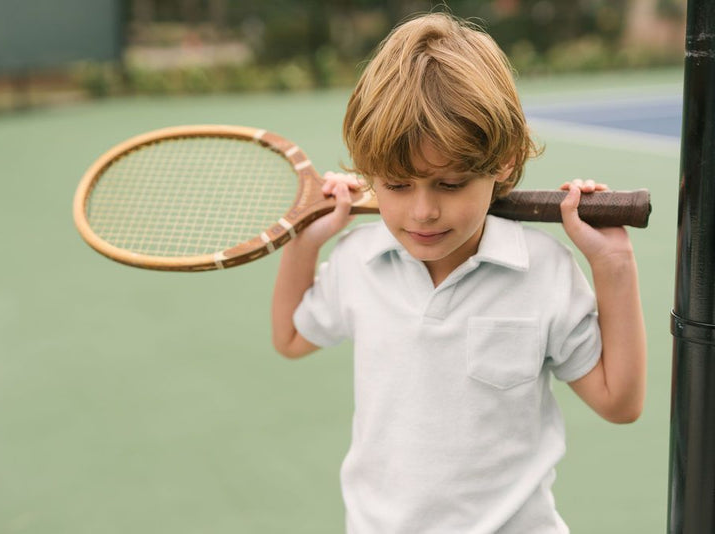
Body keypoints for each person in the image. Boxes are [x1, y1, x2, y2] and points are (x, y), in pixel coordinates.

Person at [271, 11, 646, 534]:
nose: (422, 212)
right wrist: (306, 240)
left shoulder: (544, 271)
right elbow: (290, 336)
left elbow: (620, 402)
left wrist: (613, 264)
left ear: (505, 164)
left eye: (449, 185)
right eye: (397, 186)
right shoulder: (359, 260)